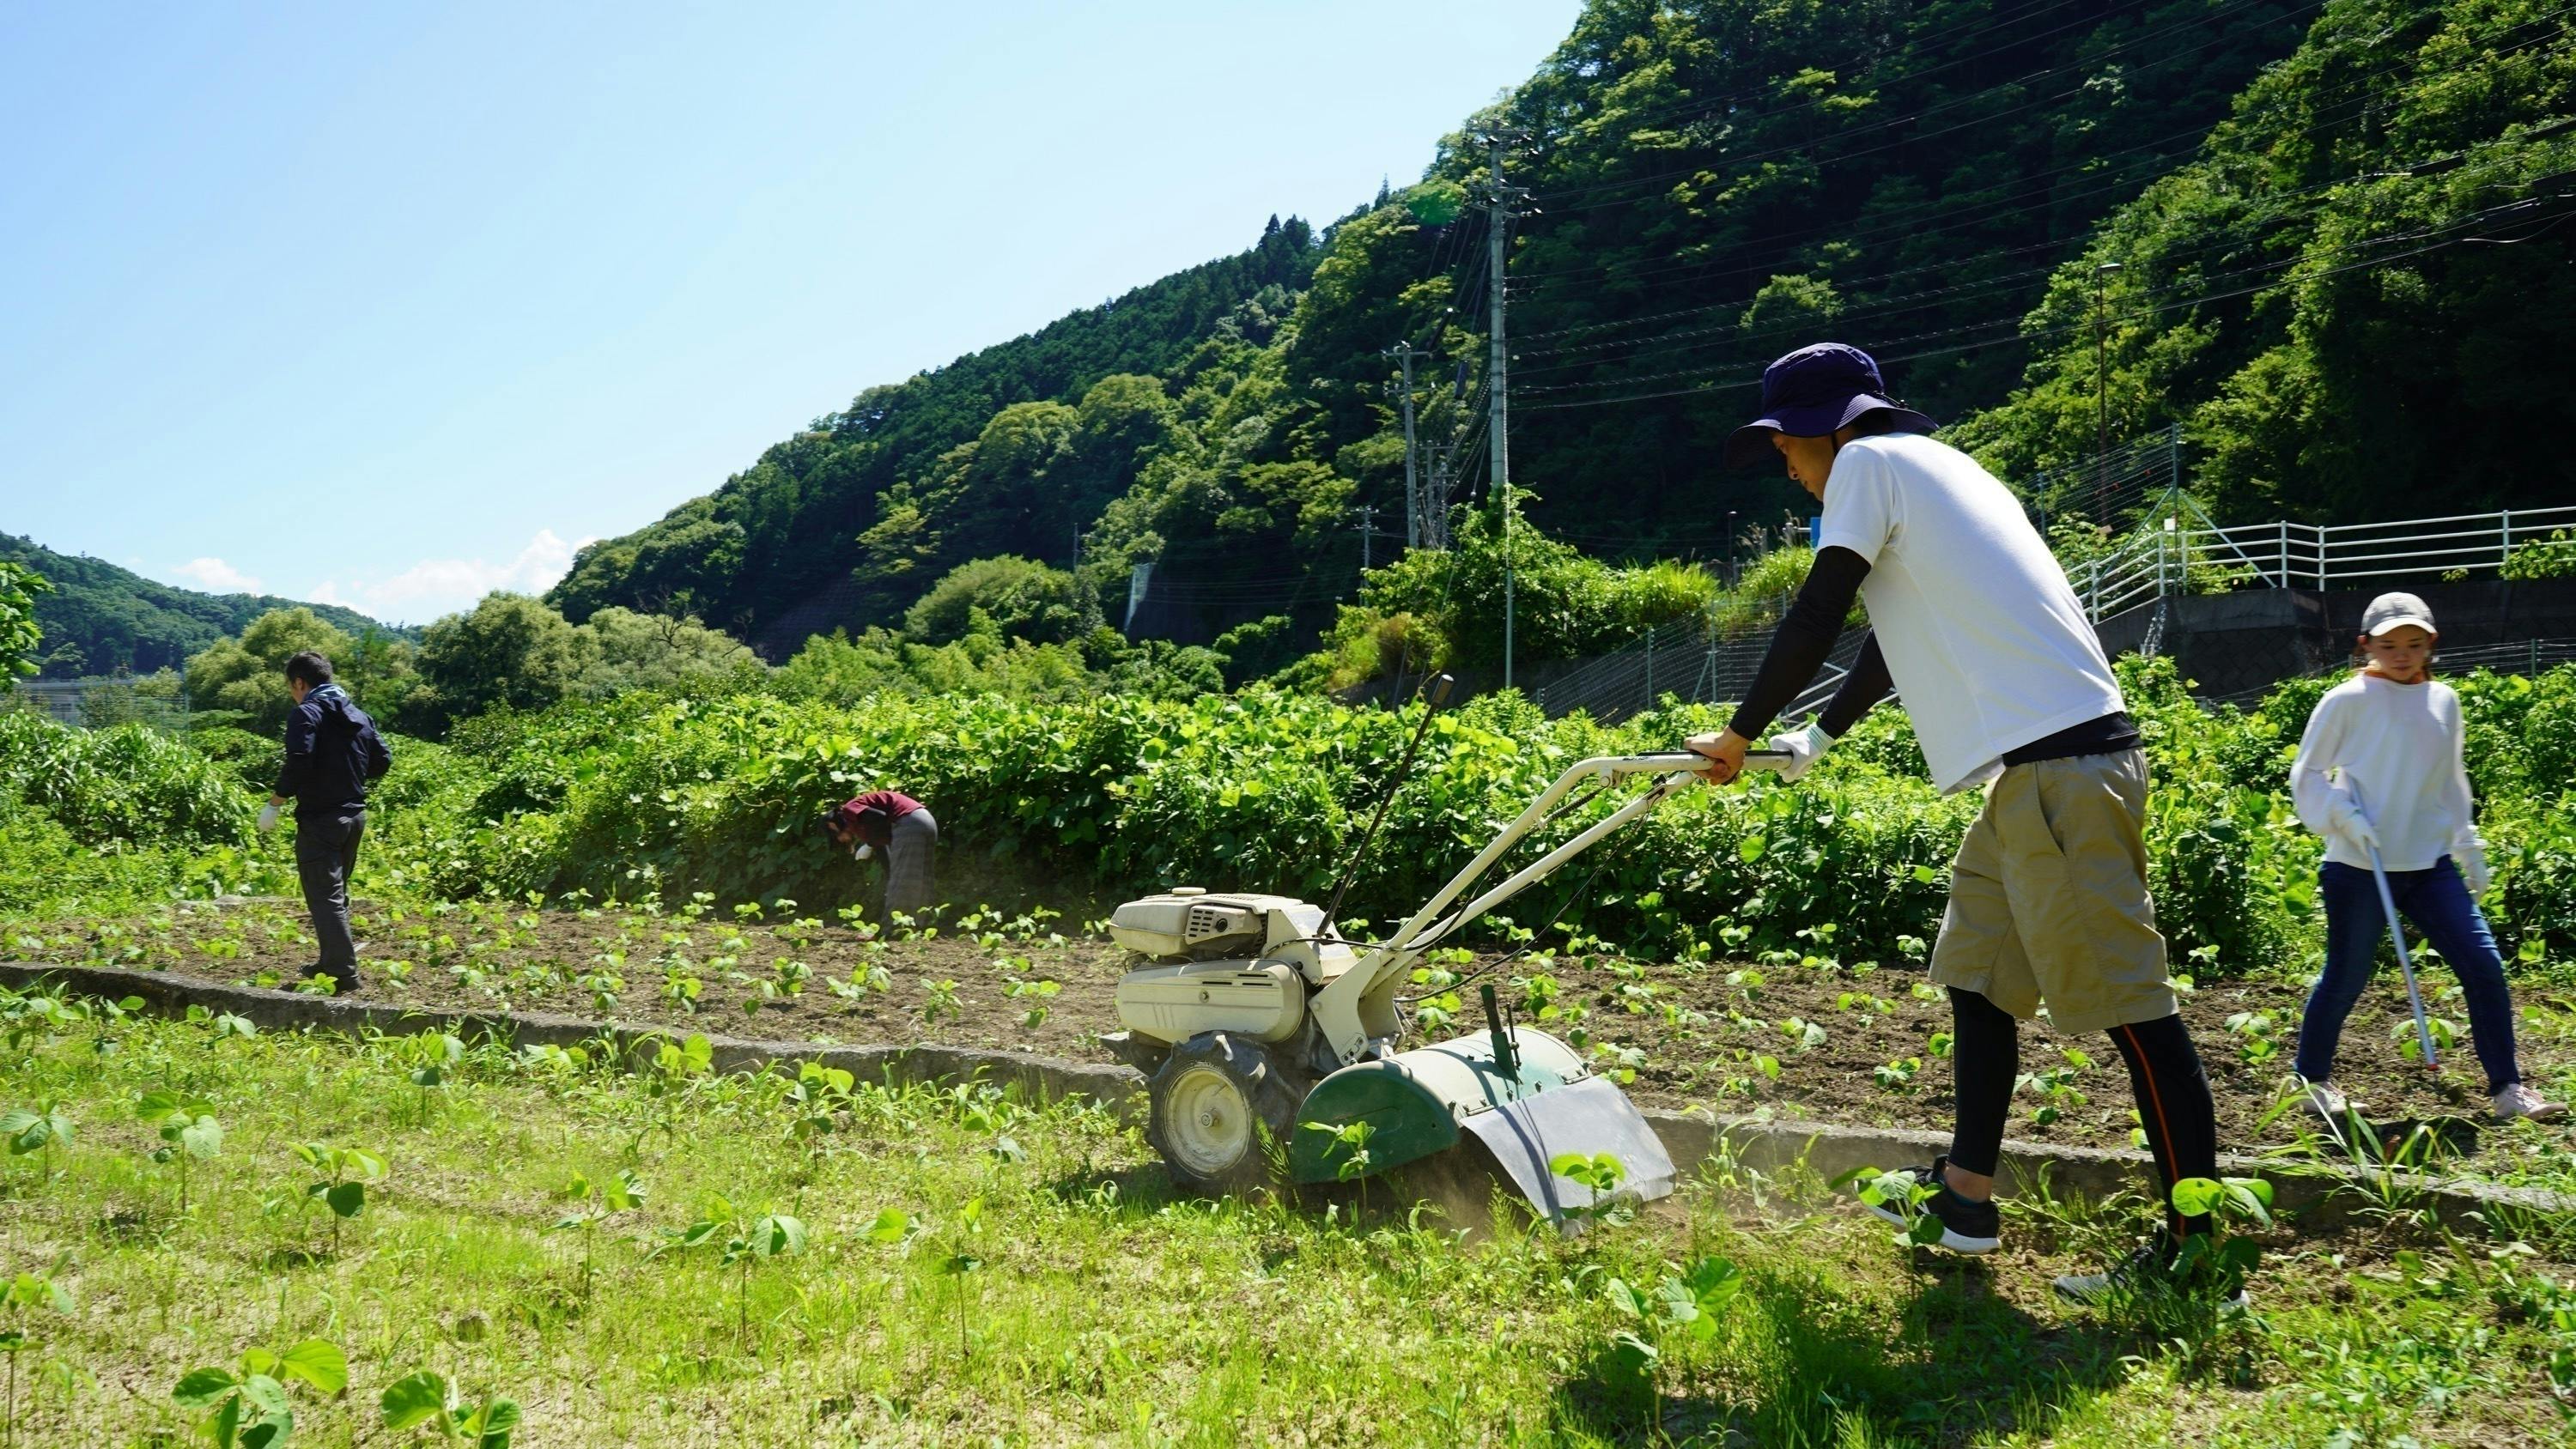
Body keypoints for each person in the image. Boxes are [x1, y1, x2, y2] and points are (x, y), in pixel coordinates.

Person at [1686, 342, 2230, 1304]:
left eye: (1785, 443)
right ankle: (1965, 1197)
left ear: (1826, 426)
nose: (1786, 464)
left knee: (2134, 1011)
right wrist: (1816, 734)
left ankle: (2202, 1254)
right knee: (1979, 971)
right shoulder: (1945, 471)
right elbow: (1895, 642)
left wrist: (1739, 731)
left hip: (2064, 771)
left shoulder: (1864, 465)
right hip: (2037, 773)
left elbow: (1821, 609)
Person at [2288, 592, 2562, 1125]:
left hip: (2430, 865)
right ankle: (2310, 1082)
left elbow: (2450, 780)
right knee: (2346, 976)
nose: (2402, 654)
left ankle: (2508, 1089)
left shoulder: (2444, 701)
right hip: (2359, 866)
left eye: (2414, 644)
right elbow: (2307, 775)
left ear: (2431, 644)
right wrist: (2344, 816)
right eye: (2388, 645)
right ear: (2365, 645)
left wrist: (2468, 843)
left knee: (2484, 967)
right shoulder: (2346, 701)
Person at [256, 650, 392, 992]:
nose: (292, 693)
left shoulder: (306, 713)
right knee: (336, 893)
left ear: (300, 682)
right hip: (354, 816)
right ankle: (332, 961)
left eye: (291, 686)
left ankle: (341, 971)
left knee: (324, 896)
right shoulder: (359, 715)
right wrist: (347, 775)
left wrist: (275, 803)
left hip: (321, 820)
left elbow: (299, 760)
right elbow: (382, 761)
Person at [822, 790, 939, 923]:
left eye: (838, 837)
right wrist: (891, 879)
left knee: (902, 882)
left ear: (833, 826)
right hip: (925, 821)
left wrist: (869, 844)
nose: (841, 841)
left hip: (908, 822)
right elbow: (883, 850)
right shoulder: (863, 824)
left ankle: (889, 931)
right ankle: (921, 924)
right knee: (920, 878)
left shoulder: (850, 811)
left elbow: (880, 817)